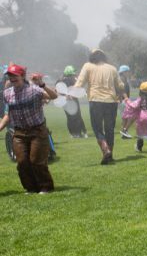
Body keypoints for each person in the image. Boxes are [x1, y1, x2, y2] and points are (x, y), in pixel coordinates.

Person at [0, 64, 58, 193]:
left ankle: (45, 187)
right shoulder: (7, 94)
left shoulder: (34, 90)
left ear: (22, 76)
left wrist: (42, 84)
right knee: (21, 163)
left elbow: (54, 97)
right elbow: (7, 115)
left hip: (37, 131)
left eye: (15, 76)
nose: (12, 78)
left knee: (36, 161)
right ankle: (31, 188)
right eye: (10, 76)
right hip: (19, 133)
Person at [74, 49, 126, 164]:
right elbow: (121, 85)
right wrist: (120, 91)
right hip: (111, 101)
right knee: (109, 129)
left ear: (92, 57)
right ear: (104, 56)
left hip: (95, 101)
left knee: (97, 128)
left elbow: (80, 83)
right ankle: (110, 155)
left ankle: (105, 149)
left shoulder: (88, 66)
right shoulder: (112, 68)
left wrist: (70, 93)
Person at [122, 81, 147, 153]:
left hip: (142, 117)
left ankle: (139, 147)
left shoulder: (141, 98)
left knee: (140, 131)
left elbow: (134, 105)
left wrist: (127, 100)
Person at [60, 65, 88, 138]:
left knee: (69, 118)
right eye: (73, 73)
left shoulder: (60, 80)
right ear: (70, 73)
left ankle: (72, 134)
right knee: (77, 116)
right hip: (73, 100)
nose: (75, 74)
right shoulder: (73, 80)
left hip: (64, 101)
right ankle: (80, 133)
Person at [118, 65, 133, 139]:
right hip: (123, 100)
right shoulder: (121, 79)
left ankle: (124, 133)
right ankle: (124, 131)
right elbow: (122, 90)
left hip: (122, 101)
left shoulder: (123, 79)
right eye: (127, 71)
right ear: (123, 72)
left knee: (124, 118)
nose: (128, 73)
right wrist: (126, 98)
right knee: (131, 116)